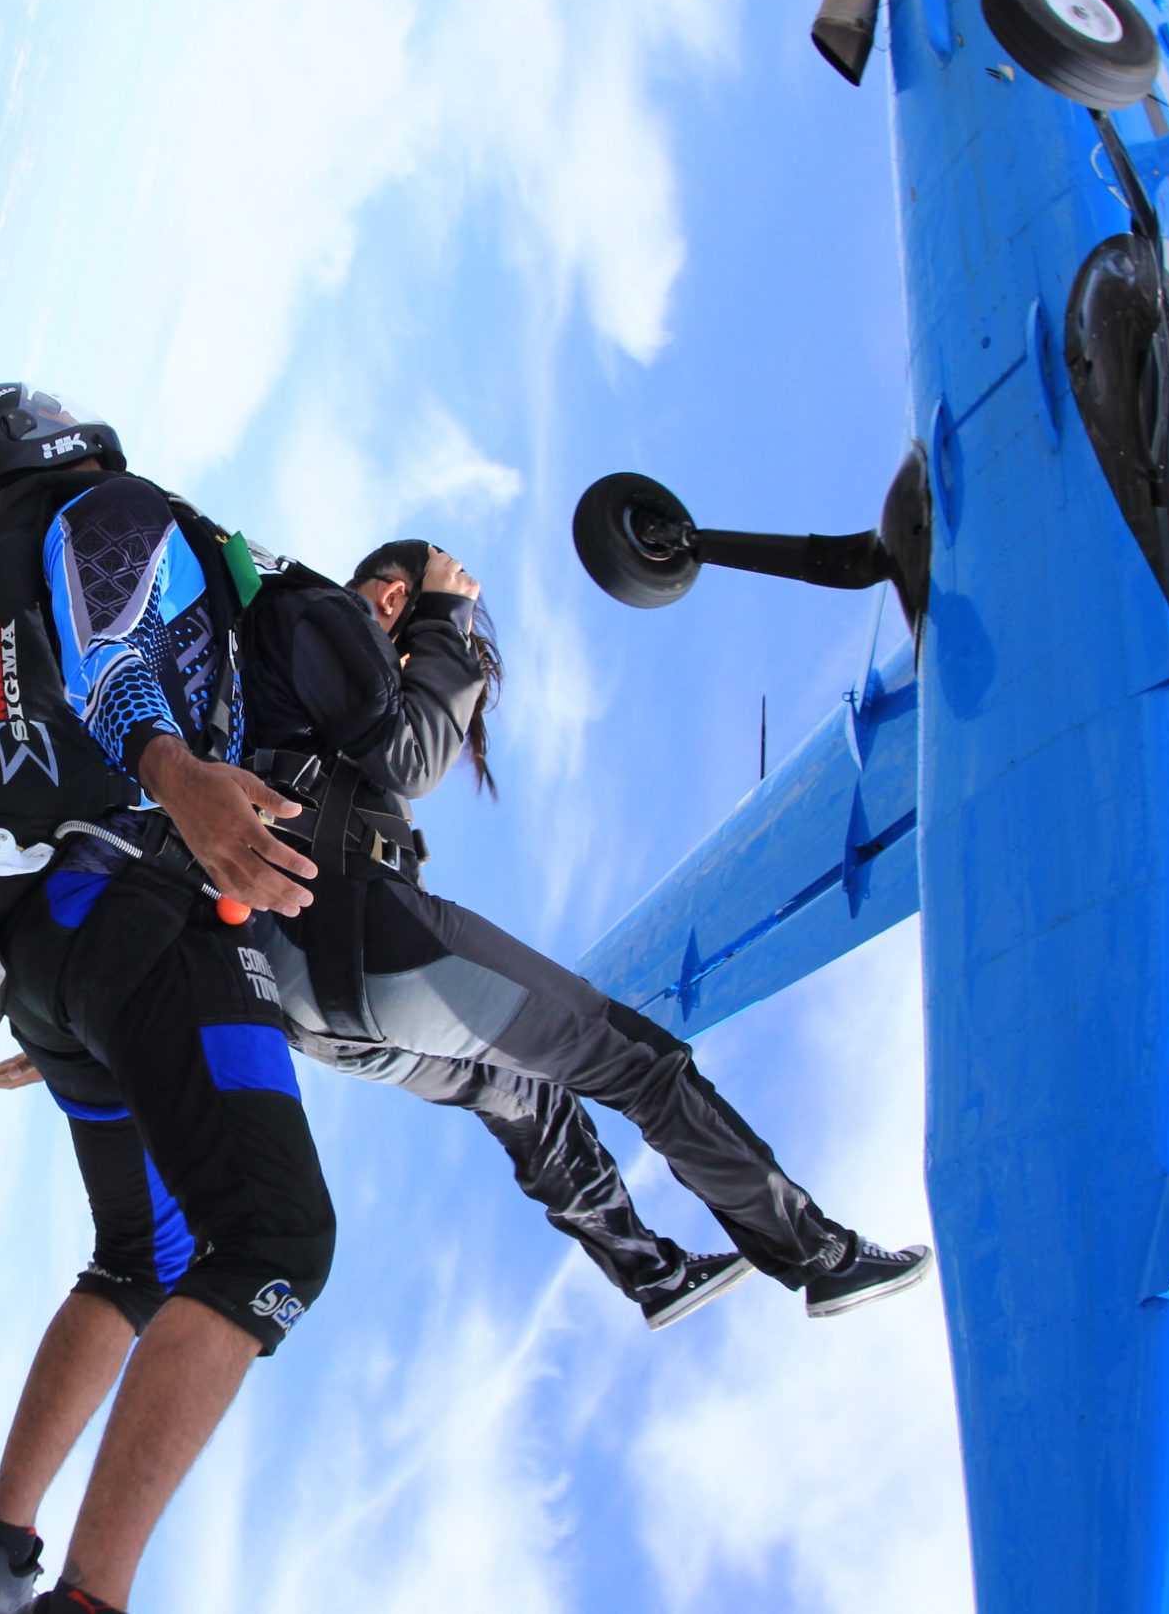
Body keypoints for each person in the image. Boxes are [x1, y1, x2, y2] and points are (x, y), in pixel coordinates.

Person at [0, 384, 328, 1614]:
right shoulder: (97, 508)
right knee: (271, 1241)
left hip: (59, 970)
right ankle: (83, 1598)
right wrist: (179, 782)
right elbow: (112, 652)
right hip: (134, 918)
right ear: (34, 439)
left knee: (147, 1252)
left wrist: (54, 1008)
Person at [239, 535, 934, 1320]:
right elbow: (413, 757)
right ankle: (822, 1256)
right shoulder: (329, 612)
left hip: (305, 995)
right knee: (640, 1064)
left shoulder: (290, 672)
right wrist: (447, 618)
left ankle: (655, 1276)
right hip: (357, 944)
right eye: (429, 632)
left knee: (523, 1094)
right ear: (397, 600)